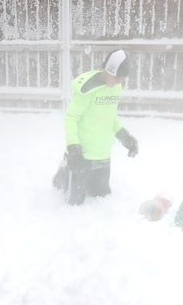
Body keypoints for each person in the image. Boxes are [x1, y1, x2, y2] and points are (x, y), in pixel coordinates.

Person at [52, 49, 139, 205]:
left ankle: (72, 171)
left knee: (101, 196)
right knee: (74, 202)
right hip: (81, 155)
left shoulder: (116, 88)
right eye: (117, 77)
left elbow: (110, 117)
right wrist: (73, 146)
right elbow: (71, 117)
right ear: (109, 70)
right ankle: (65, 171)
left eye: (122, 78)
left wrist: (124, 137)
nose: (120, 81)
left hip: (102, 154)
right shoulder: (87, 91)